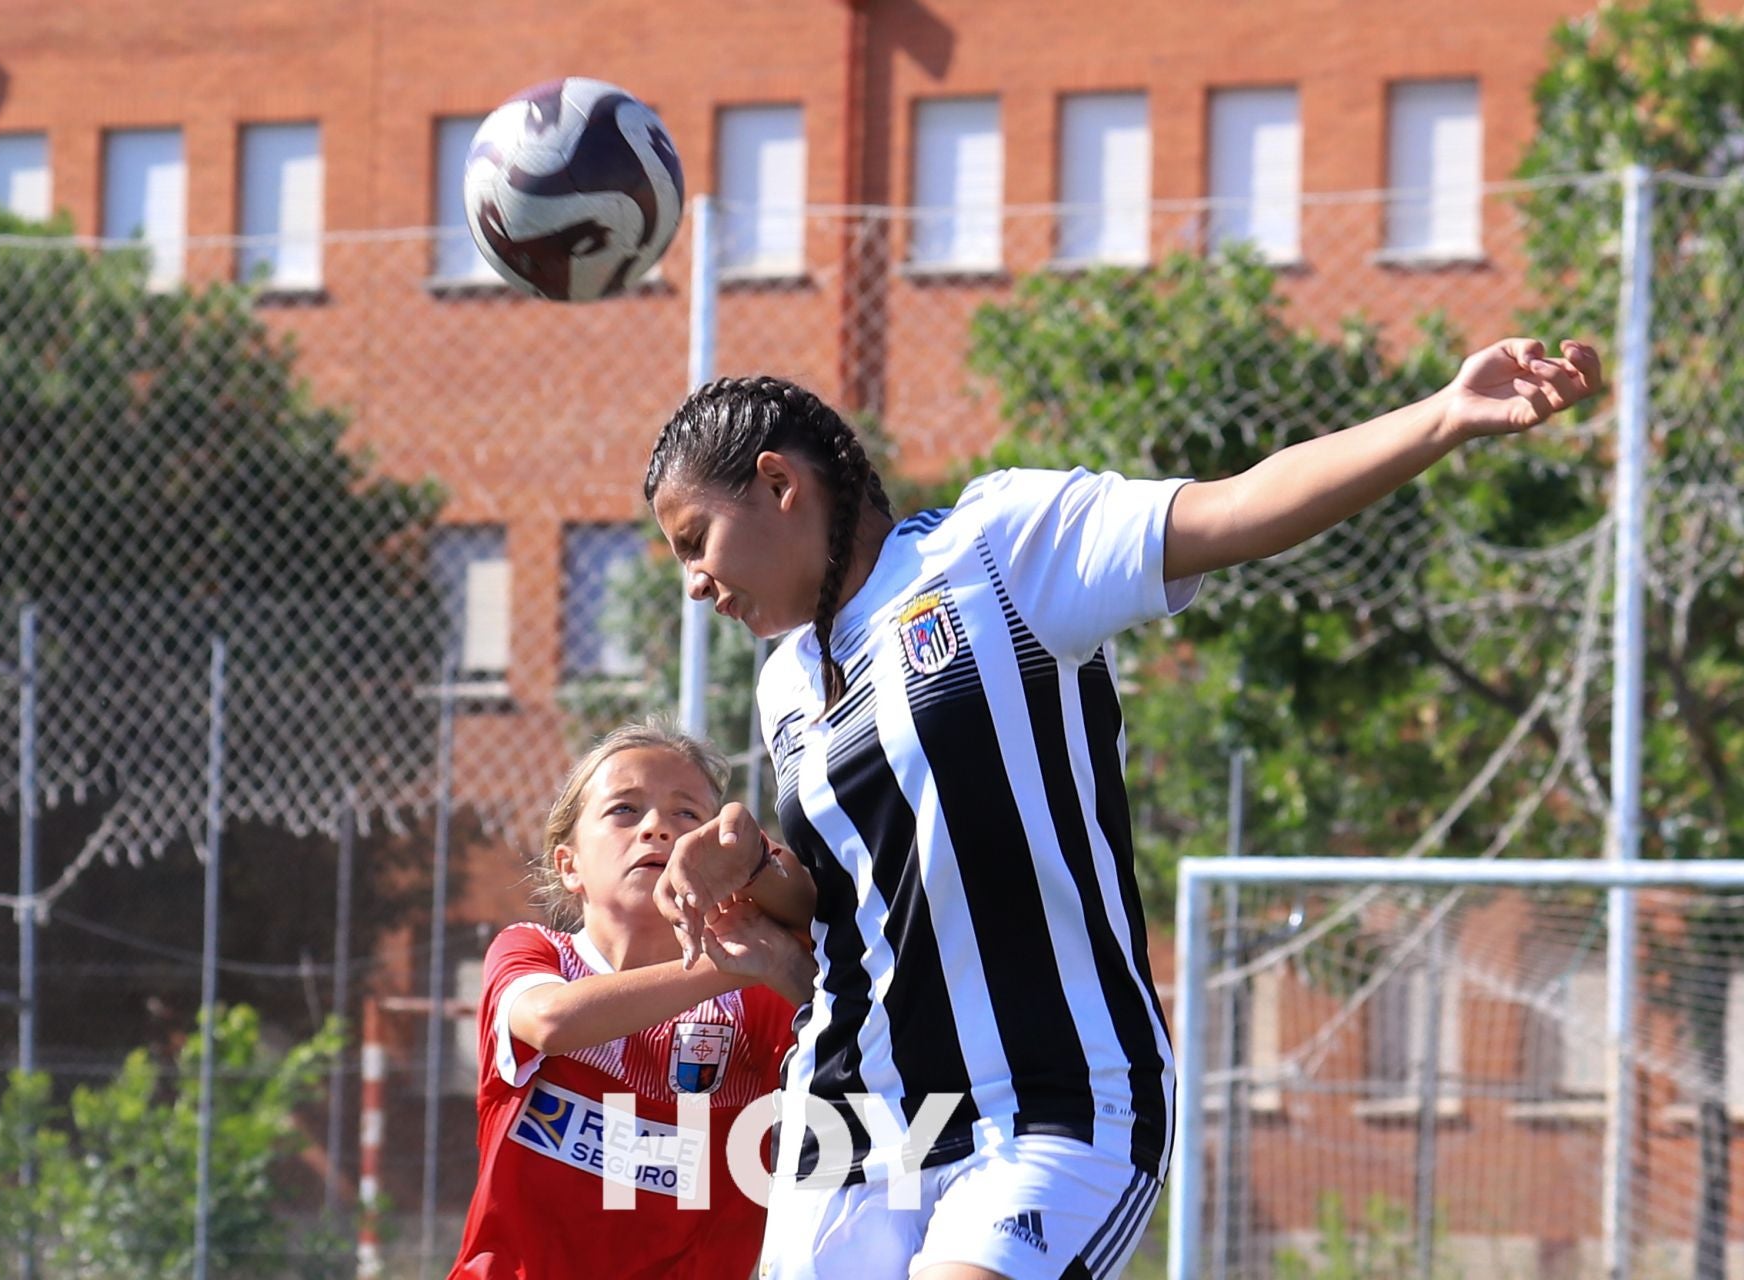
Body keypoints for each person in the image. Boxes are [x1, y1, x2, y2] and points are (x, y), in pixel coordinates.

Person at [641, 338, 1603, 1280]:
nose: (694, 582)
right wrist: (755, 874)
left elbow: (1237, 508)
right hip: (859, 1113)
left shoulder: (998, 549)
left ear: (778, 485)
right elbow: (867, 906)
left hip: (1054, 1103)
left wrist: (1441, 415)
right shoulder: (787, 688)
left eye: (696, 541)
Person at [447, 720, 817, 1280]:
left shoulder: (753, 1003)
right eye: (624, 810)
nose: (657, 830)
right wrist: (729, 964)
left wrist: (773, 923)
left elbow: (846, 1020)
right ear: (568, 865)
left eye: (687, 815)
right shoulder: (532, 952)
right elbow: (550, 1020)